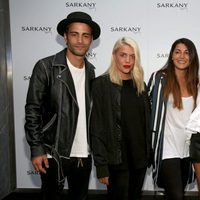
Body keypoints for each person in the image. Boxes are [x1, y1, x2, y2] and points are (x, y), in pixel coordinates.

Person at [24, 11, 101, 200]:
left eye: (85, 35)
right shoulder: (45, 67)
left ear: (91, 40)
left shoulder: (91, 72)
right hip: (53, 152)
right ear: (65, 36)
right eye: (74, 34)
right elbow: (33, 109)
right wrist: (37, 148)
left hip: (83, 154)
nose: (80, 41)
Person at [90, 37, 152, 200]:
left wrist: (148, 154)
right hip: (116, 161)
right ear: (113, 55)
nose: (128, 60)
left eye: (132, 56)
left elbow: (145, 123)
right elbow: (96, 127)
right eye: (123, 55)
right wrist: (101, 165)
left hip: (139, 160)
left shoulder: (141, 85)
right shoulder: (101, 84)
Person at [148, 38, 199, 200]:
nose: (181, 56)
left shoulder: (196, 83)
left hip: (187, 148)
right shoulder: (159, 78)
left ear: (192, 57)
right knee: (177, 195)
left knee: (178, 193)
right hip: (167, 148)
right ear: (171, 56)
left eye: (186, 52)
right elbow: (145, 108)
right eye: (177, 52)